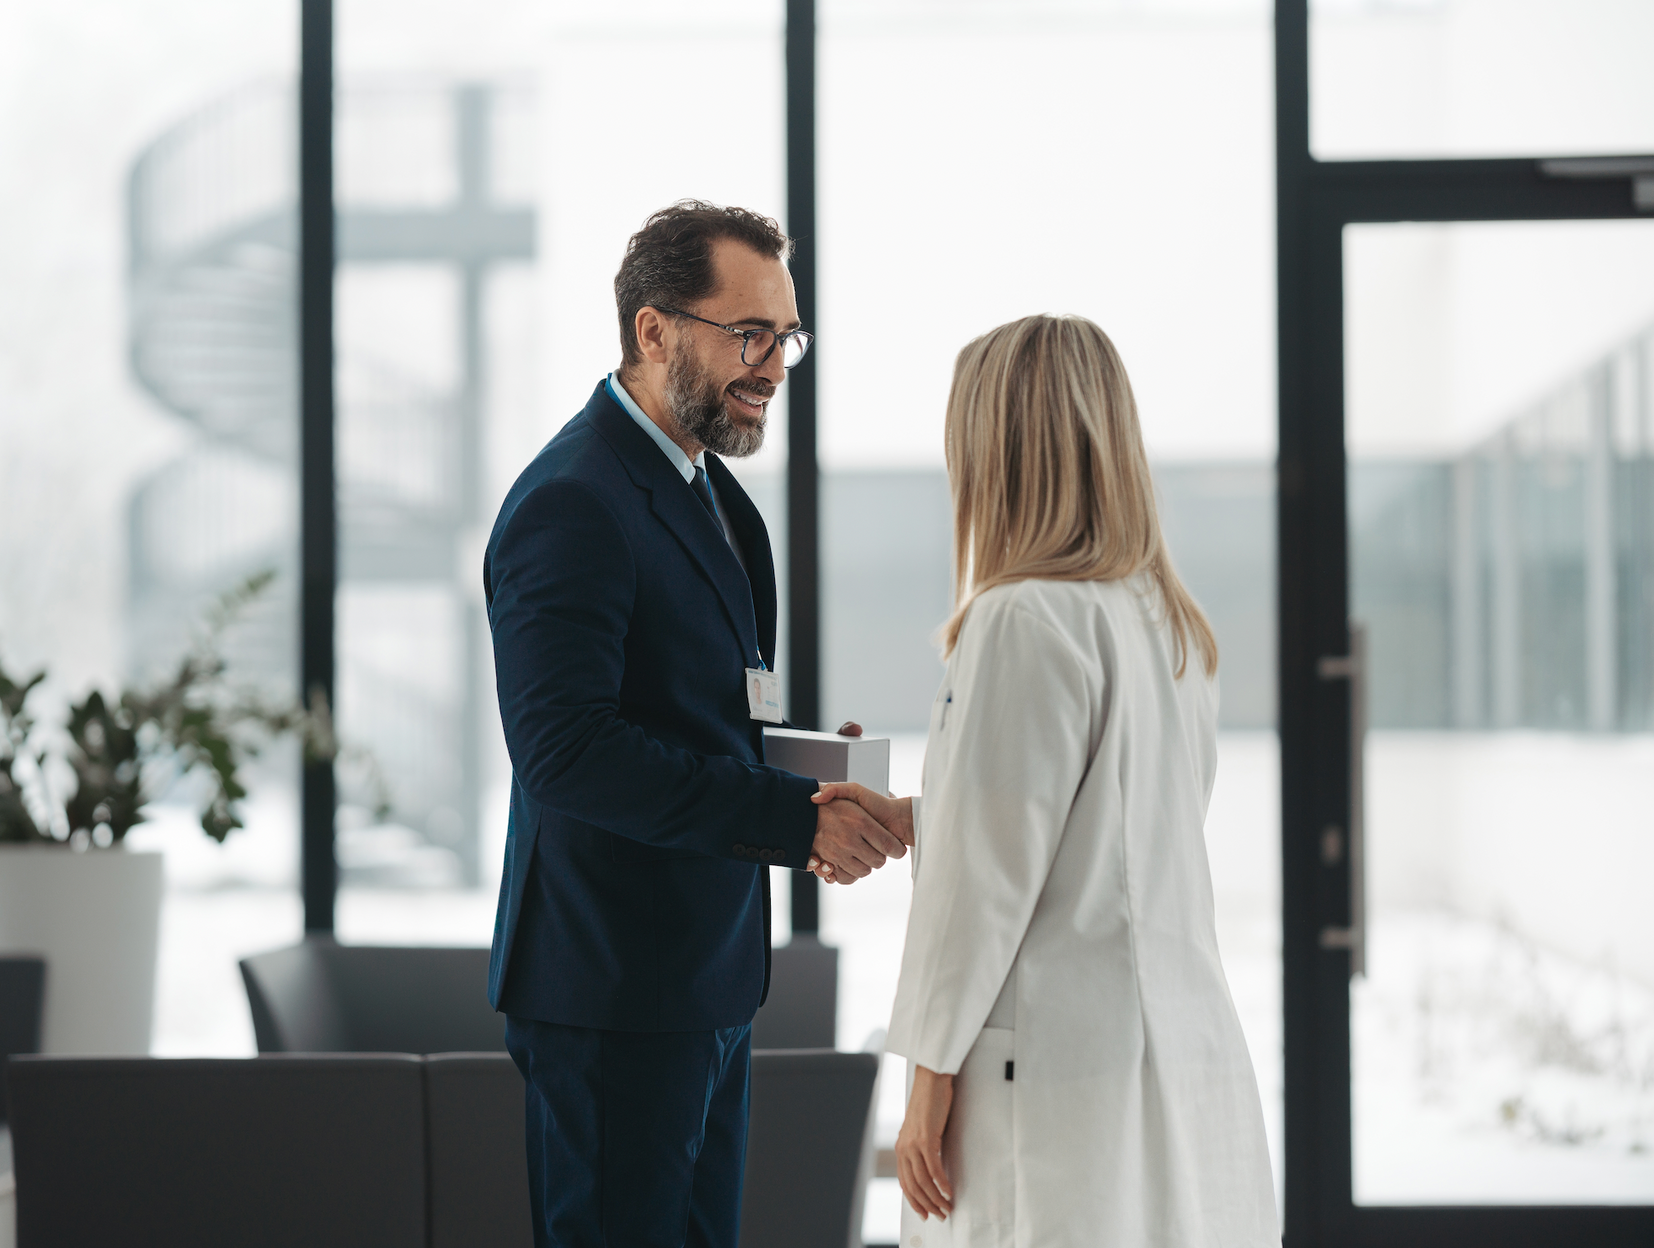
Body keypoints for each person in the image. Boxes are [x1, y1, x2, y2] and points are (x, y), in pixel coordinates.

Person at [484, 200, 910, 1248]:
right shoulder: (572, 501)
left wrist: (815, 777)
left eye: (786, 337)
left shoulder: (720, 498)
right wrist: (785, 818)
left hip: (707, 979)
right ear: (654, 331)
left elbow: (703, 713)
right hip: (611, 992)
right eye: (747, 333)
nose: (771, 364)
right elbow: (567, 753)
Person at [813, 315, 1280, 1246]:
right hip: (1174, 1049)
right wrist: (920, 815)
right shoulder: (1169, 624)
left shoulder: (1022, 617)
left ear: (1001, 450)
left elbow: (981, 886)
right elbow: (1108, 834)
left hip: (1056, 1074)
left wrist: (929, 1077)